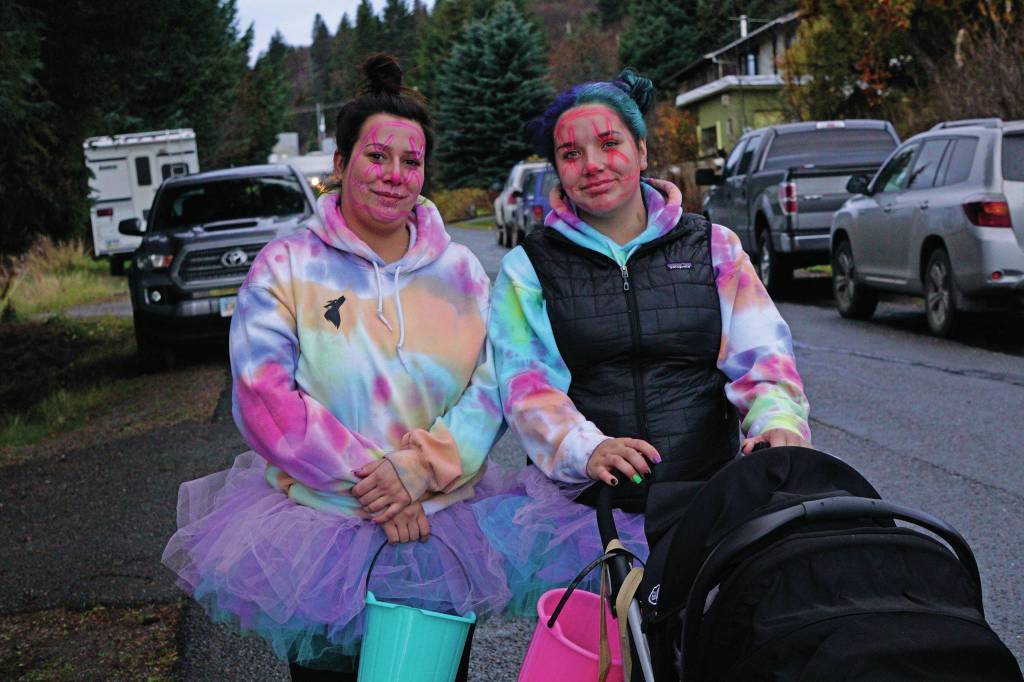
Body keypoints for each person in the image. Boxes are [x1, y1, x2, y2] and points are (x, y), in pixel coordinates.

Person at [162, 54, 508, 680]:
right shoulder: (285, 267)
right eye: (377, 157)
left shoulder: (461, 273)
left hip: (438, 532)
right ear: (342, 165)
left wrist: (418, 472)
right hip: (321, 537)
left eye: (412, 161)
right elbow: (264, 397)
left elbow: (493, 388)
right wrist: (379, 483)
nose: (394, 175)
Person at [475, 69, 812, 613]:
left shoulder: (714, 246)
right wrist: (587, 448)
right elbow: (527, 387)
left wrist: (778, 422)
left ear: (642, 150)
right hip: (589, 515)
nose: (593, 165)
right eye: (571, 153)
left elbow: (765, 361)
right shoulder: (527, 267)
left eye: (610, 144)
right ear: (557, 168)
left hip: (709, 503)